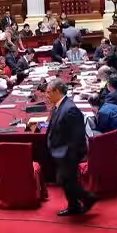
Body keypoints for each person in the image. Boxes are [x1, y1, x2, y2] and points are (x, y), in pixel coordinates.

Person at [45, 77, 96, 216]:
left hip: (68, 153)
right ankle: (74, 206)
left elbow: (77, 136)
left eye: (48, 92)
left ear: (57, 91)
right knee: (65, 181)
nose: (46, 95)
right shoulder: (59, 105)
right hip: (61, 151)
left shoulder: (70, 109)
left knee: (66, 181)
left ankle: (88, 198)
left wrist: (70, 156)